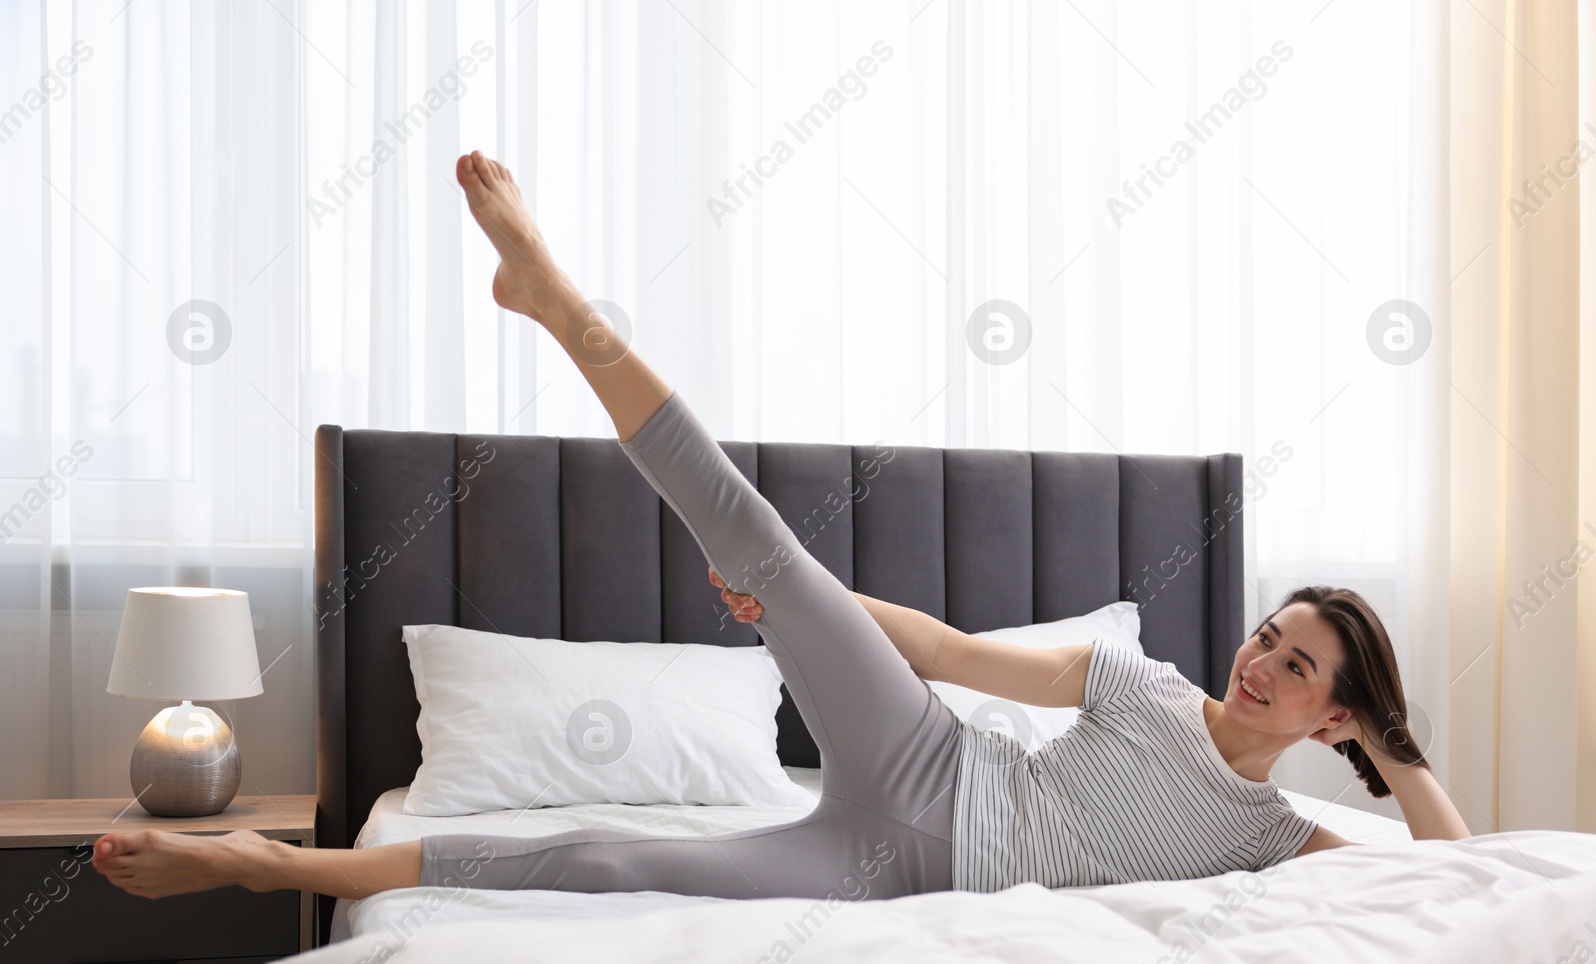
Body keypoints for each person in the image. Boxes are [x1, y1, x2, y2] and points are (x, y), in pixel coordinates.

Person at [90, 151, 1469, 903]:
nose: (1261, 663)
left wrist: (1400, 746)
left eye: (1299, 670)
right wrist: (814, 614)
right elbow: (944, 648)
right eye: (1268, 635)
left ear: (1335, 724)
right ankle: (558, 300)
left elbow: (1460, 880)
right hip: (928, 758)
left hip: (890, 869)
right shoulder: (1144, 684)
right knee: (763, 541)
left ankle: (267, 868)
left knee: (614, 859)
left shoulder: (1269, 839)